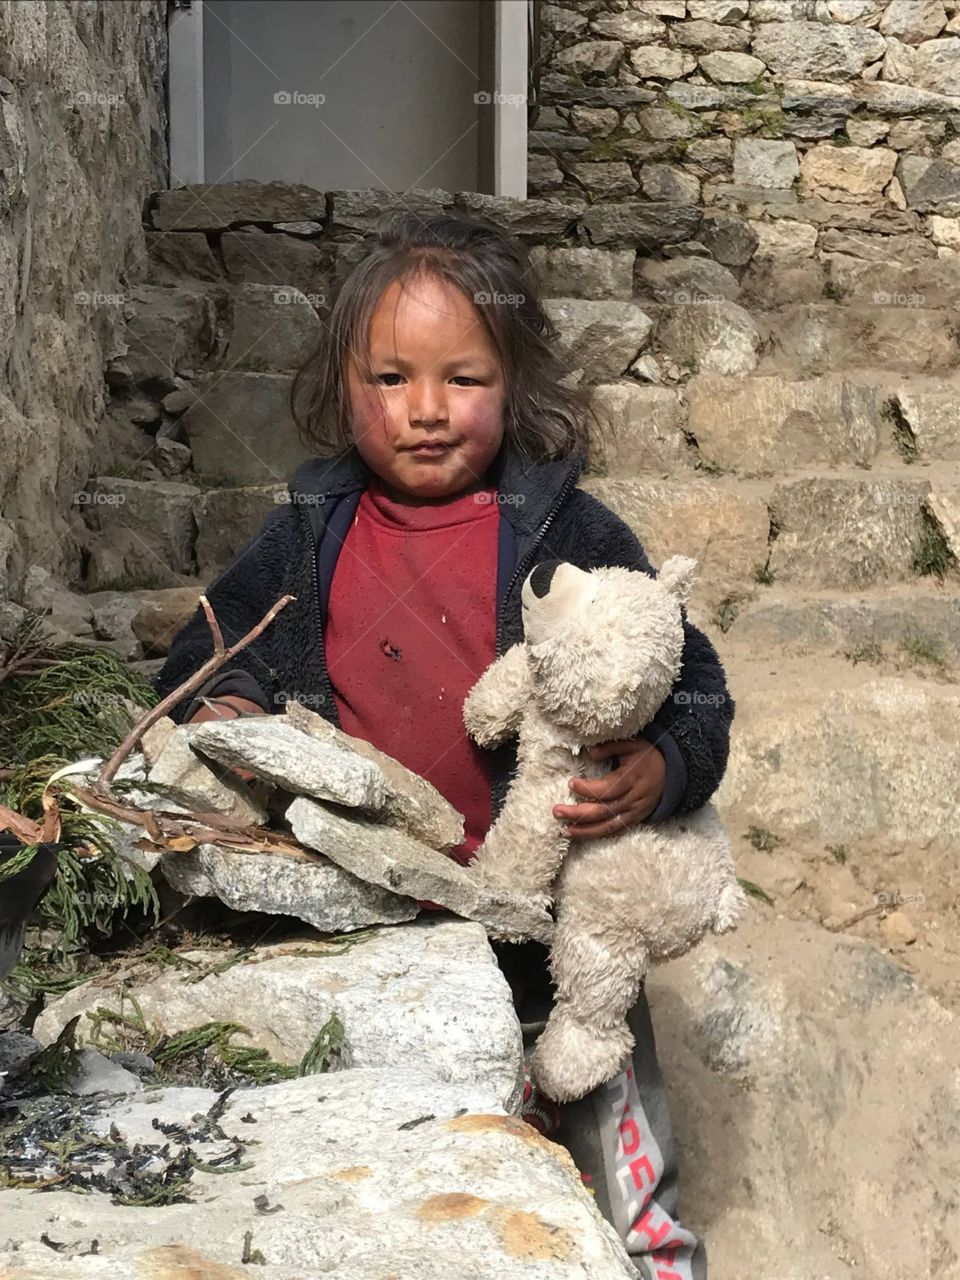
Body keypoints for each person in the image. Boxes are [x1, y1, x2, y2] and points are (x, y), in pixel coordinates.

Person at [153, 210, 733, 1279]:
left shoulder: (574, 536)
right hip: (381, 933)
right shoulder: (307, 534)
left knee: (611, 1126)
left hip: (553, 927)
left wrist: (665, 768)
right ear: (343, 386)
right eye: (390, 378)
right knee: (425, 1175)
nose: (425, 410)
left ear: (514, 383)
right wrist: (230, 704)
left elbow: (693, 685)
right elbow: (212, 643)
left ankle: (656, 1263)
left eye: (461, 377)